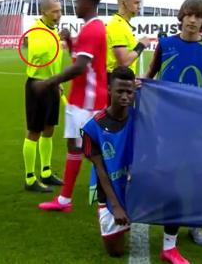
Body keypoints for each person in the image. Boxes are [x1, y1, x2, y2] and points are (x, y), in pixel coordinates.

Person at [146, 0, 202, 263]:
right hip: (167, 124)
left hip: (200, 127)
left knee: (201, 179)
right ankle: (171, 233)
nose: (192, 20)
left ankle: (196, 224)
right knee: (169, 177)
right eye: (188, 15)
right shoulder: (166, 45)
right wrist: (136, 86)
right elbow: (150, 75)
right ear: (181, 17)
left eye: (198, 16)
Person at [37, 0, 108, 212]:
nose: (75, 5)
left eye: (78, 1)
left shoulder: (93, 29)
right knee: (79, 147)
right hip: (83, 98)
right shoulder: (90, 28)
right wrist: (69, 43)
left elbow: (79, 68)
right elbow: (80, 60)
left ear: (88, 2)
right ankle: (67, 199)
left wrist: (49, 82)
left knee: (88, 150)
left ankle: (107, 194)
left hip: (88, 101)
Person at [82, 66, 136, 258]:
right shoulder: (92, 127)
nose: (125, 96)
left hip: (134, 189)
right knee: (116, 252)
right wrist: (117, 207)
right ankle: (112, 214)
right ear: (109, 90)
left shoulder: (139, 117)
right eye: (120, 91)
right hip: (109, 192)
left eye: (129, 92)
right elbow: (100, 169)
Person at [22, 0, 66, 193]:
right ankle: (30, 178)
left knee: (49, 129)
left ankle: (46, 172)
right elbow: (39, 54)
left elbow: (54, 60)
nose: (59, 15)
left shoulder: (53, 30)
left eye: (60, 11)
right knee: (35, 130)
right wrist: (59, 43)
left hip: (52, 84)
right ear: (44, 13)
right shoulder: (36, 30)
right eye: (55, 11)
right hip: (37, 85)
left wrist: (58, 81)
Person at [106, 0, 150, 77]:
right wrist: (141, 45)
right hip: (114, 81)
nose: (139, 7)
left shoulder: (123, 24)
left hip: (120, 79)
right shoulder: (117, 25)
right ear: (123, 3)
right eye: (136, 3)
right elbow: (124, 62)